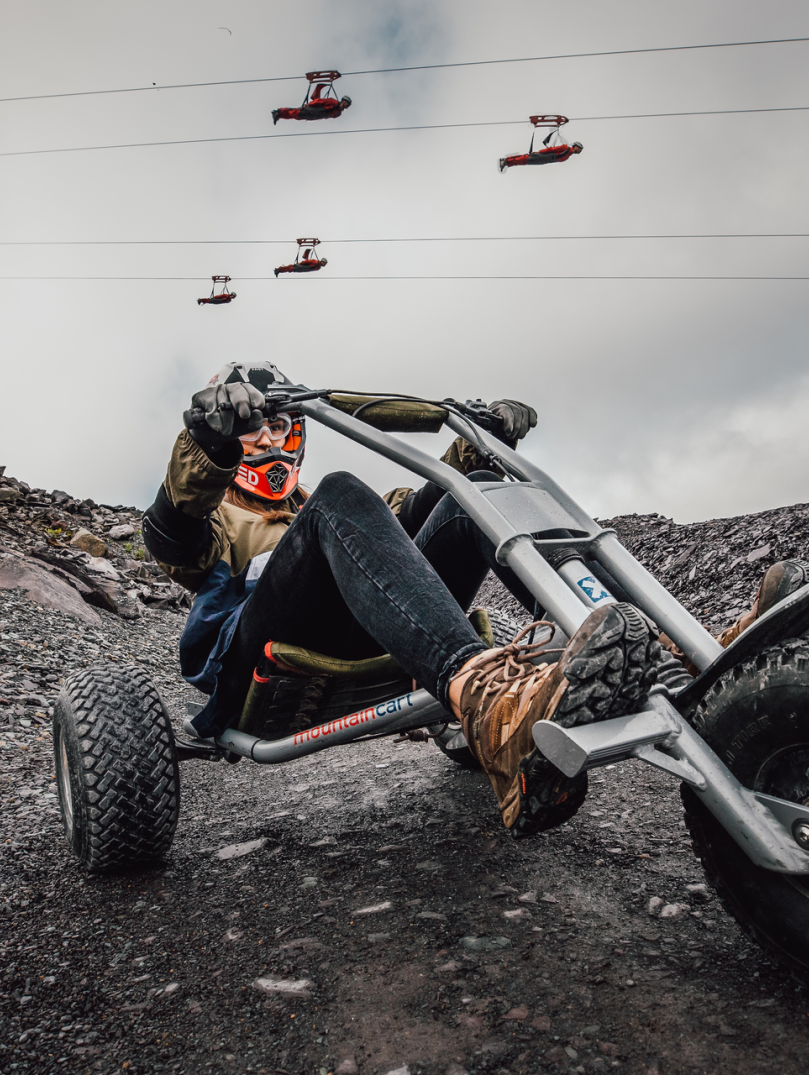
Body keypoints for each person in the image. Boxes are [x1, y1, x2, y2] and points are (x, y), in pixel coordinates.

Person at [142, 362, 661, 838]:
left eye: (278, 426)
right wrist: (207, 446)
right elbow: (174, 534)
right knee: (339, 493)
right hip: (264, 657)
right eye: (252, 426)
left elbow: (413, 512)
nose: (268, 440)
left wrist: (481, 442)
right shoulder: (216, 517)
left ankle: (647, 653)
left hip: (380, 626)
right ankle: (487, 700)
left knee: (471, 489)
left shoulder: (336, 512)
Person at [272, 91, 352, 125]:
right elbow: (319, 101)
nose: (344, 105)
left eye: (346, 105)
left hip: (313, 116)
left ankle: (279, 115)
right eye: (344, 103)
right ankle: (278, 112)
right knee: (295, 112)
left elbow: (327, 116)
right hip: (311, 110)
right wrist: (309, 105)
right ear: (342, 101)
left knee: (296, 116)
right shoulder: (333, 102)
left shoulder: (338, 113)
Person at [500, 141, 583, 172]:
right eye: (579, 149)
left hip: (544, 161)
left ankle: (507, 163)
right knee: (525, 158)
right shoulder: (565, 148)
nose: (580, 151)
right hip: (543, 156)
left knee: (524, 162)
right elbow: (551, 149)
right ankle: (505, 160)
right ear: (576, 146)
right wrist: (539, 152)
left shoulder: (568, 156)